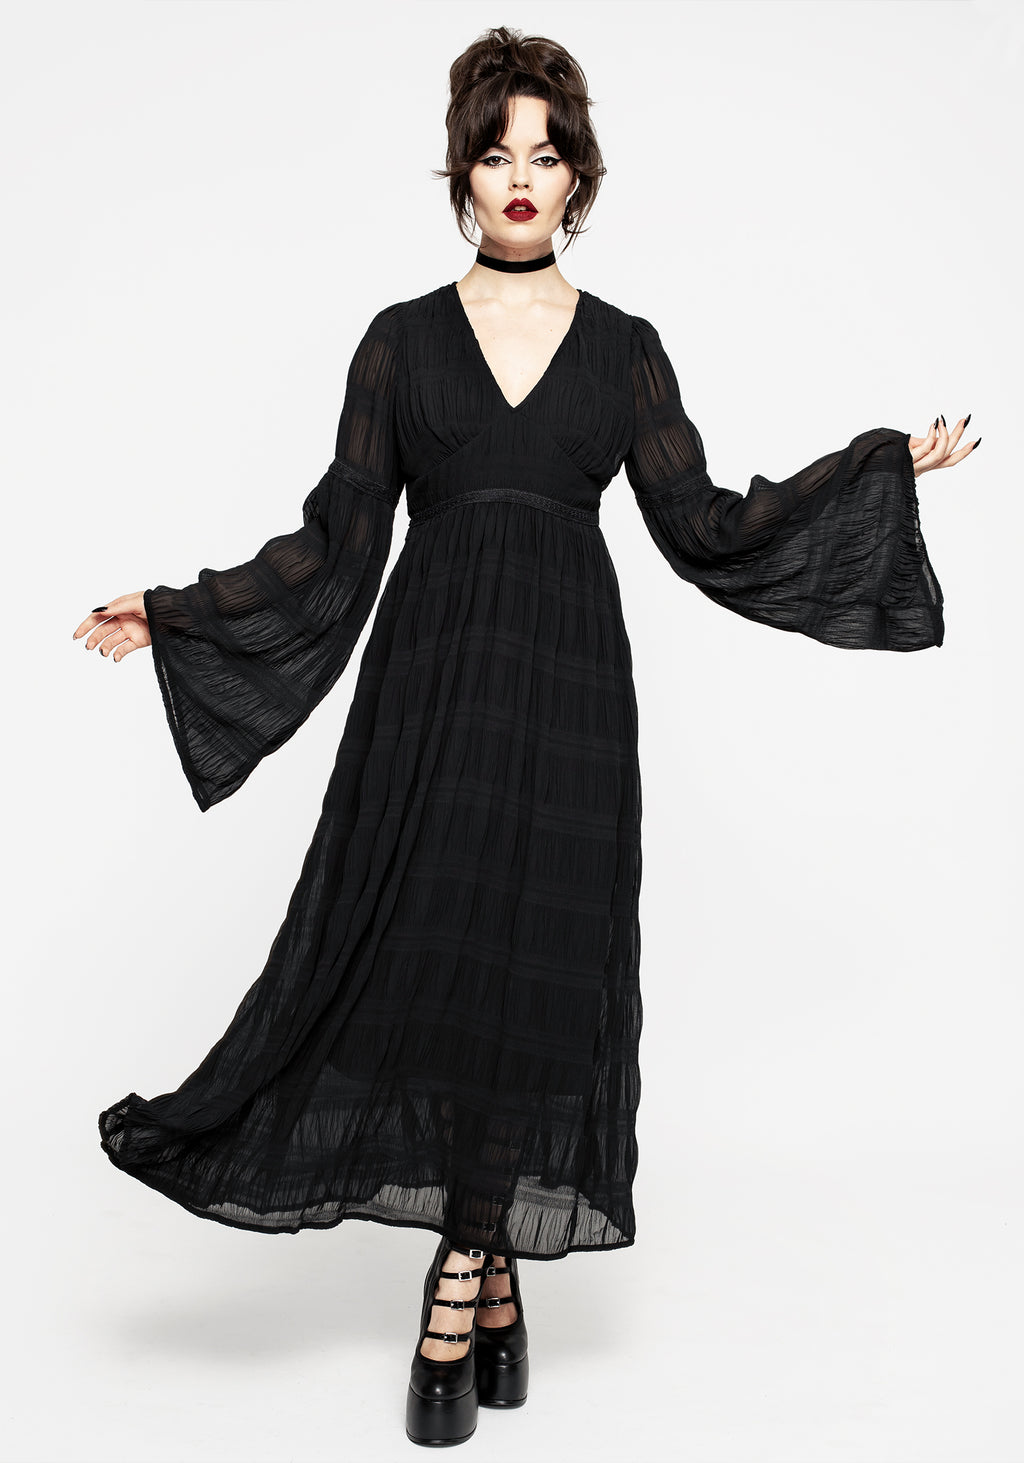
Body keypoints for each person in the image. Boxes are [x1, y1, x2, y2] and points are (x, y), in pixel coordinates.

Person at [73, 23, 977, 1451]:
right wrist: (183, 612)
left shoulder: (625, 352)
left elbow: (708, 525)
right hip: (432, 689)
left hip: (568, 693)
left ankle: (459, 1277)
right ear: (463, 171)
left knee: (534, 971)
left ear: (577, 178)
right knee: (434, 958)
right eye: (495, 153)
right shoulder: (399, 342)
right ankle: (490, 1286)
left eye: (544, 156)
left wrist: (876, 467)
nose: (518, 177)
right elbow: (335, 540)